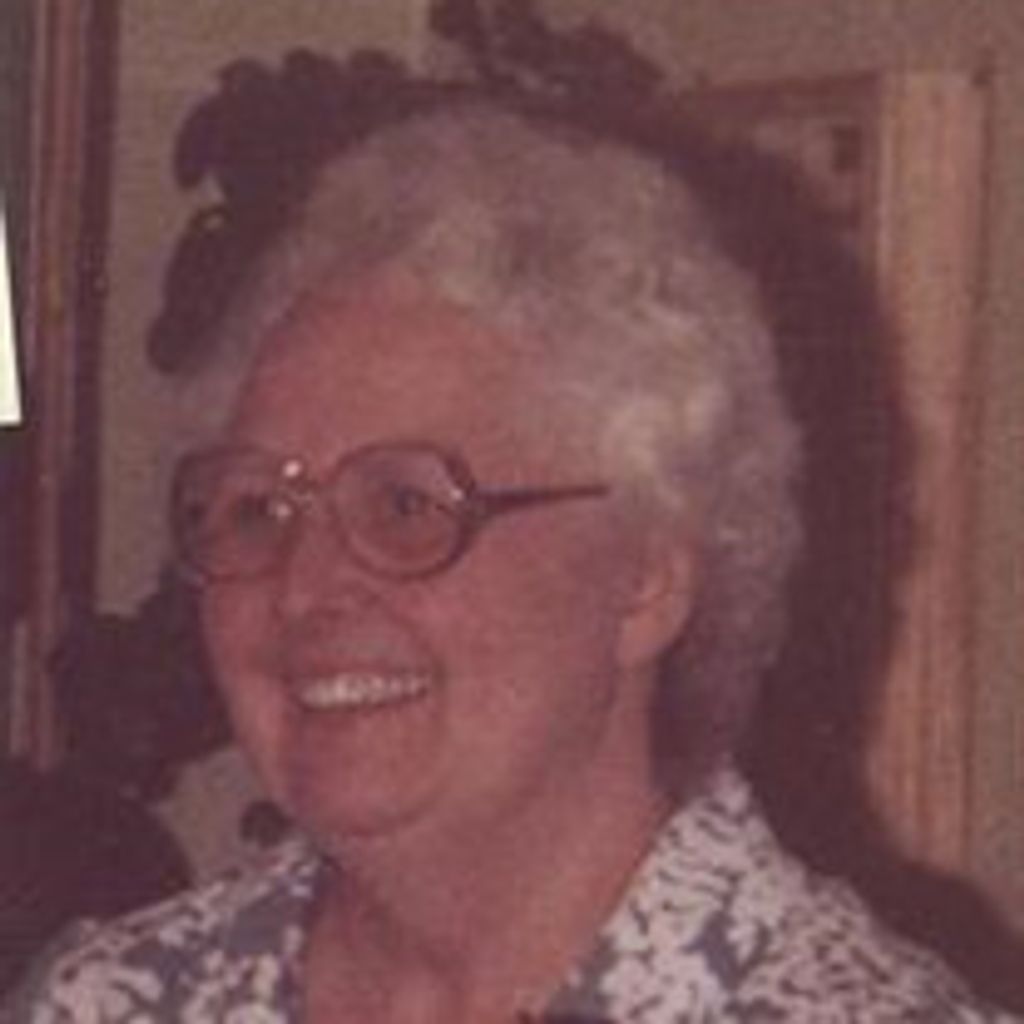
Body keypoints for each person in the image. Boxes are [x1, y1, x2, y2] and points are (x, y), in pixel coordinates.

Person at [5, 98, 1019, 1023]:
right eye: (256, 509)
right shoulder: (114, 1001)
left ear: (647, 576)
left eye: (406, 505)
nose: (303, 585)